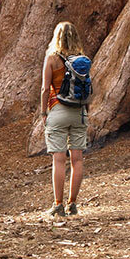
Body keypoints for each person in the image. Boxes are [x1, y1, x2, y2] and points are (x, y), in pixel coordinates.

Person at [40, 21, 88, 217]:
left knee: (59, 160)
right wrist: (86, 112)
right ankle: (73, 203)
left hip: (57, 110)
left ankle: (58, 204)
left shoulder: (52, 59)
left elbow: (45, 88)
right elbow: (87, 89)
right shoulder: (83, 60)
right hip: (79, 112)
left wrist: (43, 113)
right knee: (77, 160)